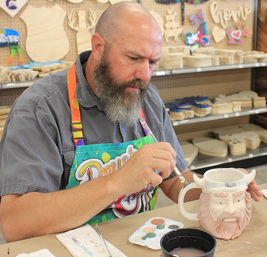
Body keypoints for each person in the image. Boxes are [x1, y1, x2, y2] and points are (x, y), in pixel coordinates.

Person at [0, 2, 262, 242]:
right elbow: (15, 223)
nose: (144, 75)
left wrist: (218, 189)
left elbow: (174, 179)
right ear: (99, 46)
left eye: (152, 62)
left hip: (136, 242)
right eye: (134, 58)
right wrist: (118, 181)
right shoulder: (40, 109)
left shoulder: (143, 96)